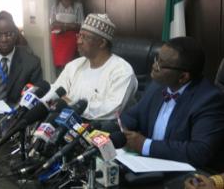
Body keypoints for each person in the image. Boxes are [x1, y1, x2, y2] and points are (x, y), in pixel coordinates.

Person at [120, 37, 224, 171]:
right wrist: (122, 128)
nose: (153, 66)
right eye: (156, 59)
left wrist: (145, 145)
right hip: (147, 165)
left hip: (187, 174)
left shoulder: (209, 99)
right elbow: (133, 115)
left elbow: (199, 151)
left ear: (183, 77)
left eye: (160, 64)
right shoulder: (157, 86)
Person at [52, 13, 137, 121]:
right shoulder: (74, 65)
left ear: (102, 43)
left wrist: (71, 104)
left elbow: (112, 111)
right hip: (67, 124)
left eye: (84, 37)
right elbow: (57, 91)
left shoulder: (122, 71)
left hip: (101, 131)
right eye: (79, 36)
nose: (78, 41)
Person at [50, 0, 84, 72]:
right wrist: (70, 25)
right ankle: (60, 81)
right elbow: (52, 25)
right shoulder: (55, 6)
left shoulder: (78, 6)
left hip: (71, 38)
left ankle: (69, 81)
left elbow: (80, 25)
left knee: (70, 64)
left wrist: (62, 25)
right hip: (57, 38)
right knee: (59, 65)